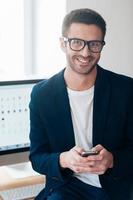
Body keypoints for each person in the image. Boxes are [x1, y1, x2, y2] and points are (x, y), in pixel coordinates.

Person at [29, 8, 133, 200]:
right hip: (66, 187)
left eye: (94, 44)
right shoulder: (42, 94)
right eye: (77, 43)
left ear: (101, 45)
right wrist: (64, 159)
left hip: (115, 188)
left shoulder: (126, 89)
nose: (85, 53)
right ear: (63, 44)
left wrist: (112, 160)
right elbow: (37, 157)